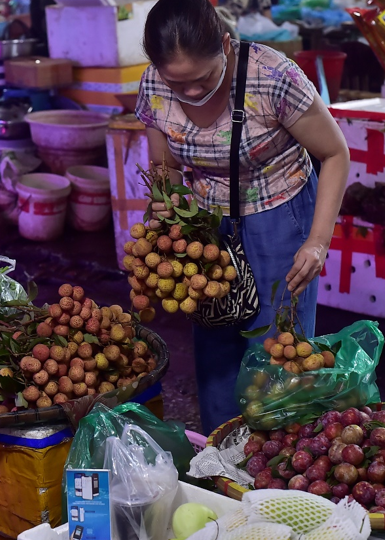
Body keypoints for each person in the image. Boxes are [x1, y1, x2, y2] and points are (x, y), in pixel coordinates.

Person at [135, 0, 350, 434]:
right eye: (179, 84)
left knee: (277, 348)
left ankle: (282, 459)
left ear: (226, 47)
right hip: (206, 219)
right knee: (214, 341)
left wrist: (317, 241)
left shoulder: (273, 77)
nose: (191, 92)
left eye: (202, 79)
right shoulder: (156, 83)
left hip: (279, 212)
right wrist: (167, 204)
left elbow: (335, 154)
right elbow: (165, 168)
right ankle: (225, 460)